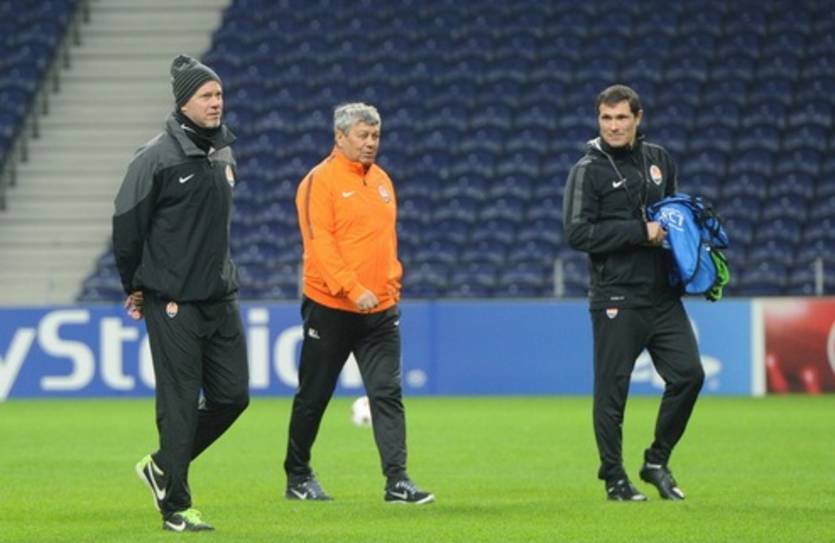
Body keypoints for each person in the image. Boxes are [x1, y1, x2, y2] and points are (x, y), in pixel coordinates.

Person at [112, 54, 250, 531]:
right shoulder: (154, 157)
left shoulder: (223, 153)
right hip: (171, 300)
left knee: (233, 397)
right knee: (179, 403)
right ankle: (176, 507)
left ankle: (161, 466)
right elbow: (127, 227)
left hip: (219, 296)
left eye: (219, 94)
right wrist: (134, 285)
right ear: (184, 103)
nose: (216, 102)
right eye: (206, 95)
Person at [283, 102, 434, 504]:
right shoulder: (319, 181)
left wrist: (391, 283)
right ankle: (297, 475)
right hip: (331, 308)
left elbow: (386, 242)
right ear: (340, 137)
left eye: (375, 136)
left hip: (380, 311)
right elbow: (320, 245)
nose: (371, 143)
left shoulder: (382, 180)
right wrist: (352, 288)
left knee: (387, 393)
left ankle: (397, 481)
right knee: (314, 395)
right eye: (362, 136)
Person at [563, 85, 705, 501]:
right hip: (616, 296)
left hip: (663, 296)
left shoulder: (659, 159)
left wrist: (692, 248)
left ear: (637, 118)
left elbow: (673, 216)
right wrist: (639, 232)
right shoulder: (587, 170)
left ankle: (656, 460)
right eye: (606, 118)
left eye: (621, 117)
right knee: (612, 392)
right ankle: (614, 478)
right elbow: (577, 233)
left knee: (689, 376)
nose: (613, 126)